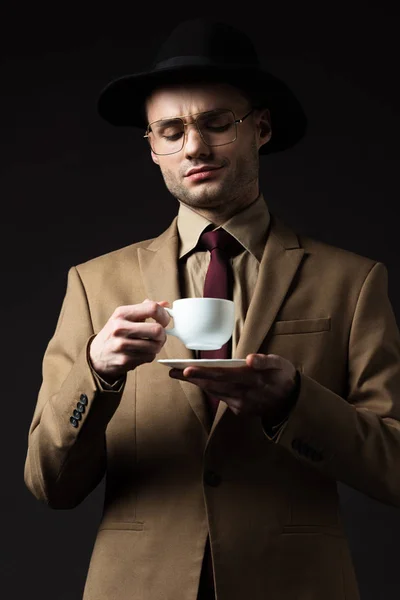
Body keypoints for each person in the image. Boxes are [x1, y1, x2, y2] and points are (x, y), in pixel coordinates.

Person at [24, 18, 400, 600]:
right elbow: (50, 483)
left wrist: (296, 404)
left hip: (297, 584)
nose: (193, 147)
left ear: (261, 129)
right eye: (169, 131)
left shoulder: (352, 282)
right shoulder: (94, 284)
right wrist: (97, 374)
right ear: (151, 148)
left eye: (216, 123)